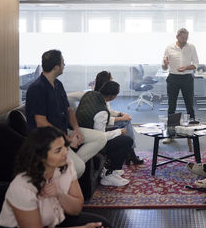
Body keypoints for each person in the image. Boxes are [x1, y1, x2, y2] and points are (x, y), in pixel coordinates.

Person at [0, 127, 112, 228]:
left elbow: (77, 209)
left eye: (64, 147)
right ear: (40, 157)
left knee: (103, 227)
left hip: (54, 222)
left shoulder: (66, 165)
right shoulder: (22, 186)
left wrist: (60, 194)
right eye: (58, 150)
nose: (65, 153)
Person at [26, 49, 107, 178]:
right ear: (56, 67)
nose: (65, 65)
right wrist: (66, 139)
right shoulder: (37, 88)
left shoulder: (58, 84)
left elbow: (69, 110)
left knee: (100, 138)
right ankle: (68, 169)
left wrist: (76, 130)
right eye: (63, 63)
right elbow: (41, 122)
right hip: (47, 138)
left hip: (63, 130)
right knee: (80, 168)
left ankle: (65, 167)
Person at [76, 81, 133, 187]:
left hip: (82, 130)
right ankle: (110, 174)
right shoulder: (101, 112)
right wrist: (119, 131)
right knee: (126, 140)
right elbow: (101, 137)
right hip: (90, 139)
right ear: (113, 97)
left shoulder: (90, 94)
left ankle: (111, 168)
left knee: (119, 134)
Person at [93, 70, 143, 165]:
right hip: (101, 127)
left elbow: (108, 112)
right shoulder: (100, 97)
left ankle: (130, 153)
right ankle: (131, 153)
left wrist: (119, 114)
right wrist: (121, 118)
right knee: (125, 122)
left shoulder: (100, 95)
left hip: (103, 122)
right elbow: (104, 118)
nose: (113, 81)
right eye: (111, 79)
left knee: (126, 121)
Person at [162, 28, 199, 143]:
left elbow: (196, 64)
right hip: (173, 77)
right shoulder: (169, 48)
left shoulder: (191, 47)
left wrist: (186, 68)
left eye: (186, 38)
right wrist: (164, 64)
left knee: (189, 104)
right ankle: (170, 134)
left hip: (187, 78)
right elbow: (164, 67)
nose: (185, 40)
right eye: (183, 38)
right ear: (177, 36)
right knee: (171, 106)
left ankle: (192, 134)